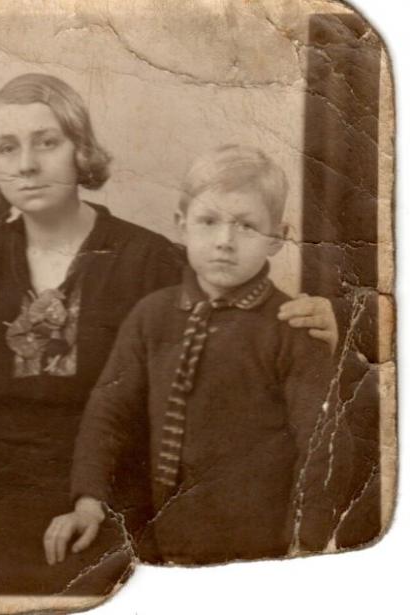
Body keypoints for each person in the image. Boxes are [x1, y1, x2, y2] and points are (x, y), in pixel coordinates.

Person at [0, 73, 339, 595]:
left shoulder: (147, 259)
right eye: (7, 147)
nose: (26, 164)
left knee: (88, 590)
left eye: (47, 142)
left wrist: (329, 318)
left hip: (122, 484)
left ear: (80, 151)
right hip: (6, 480)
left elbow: (239, 320)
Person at [47, 145, 353, 566]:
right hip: (161, 537)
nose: (224, 241)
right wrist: (88, 500)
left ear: (277, 238)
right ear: (182, 226)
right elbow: (108, 414)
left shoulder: (292, 330)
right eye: (208, 222)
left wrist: (307, 542)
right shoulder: (151, 316)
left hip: (259, 546)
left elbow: (322, 446)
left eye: (246, 226)